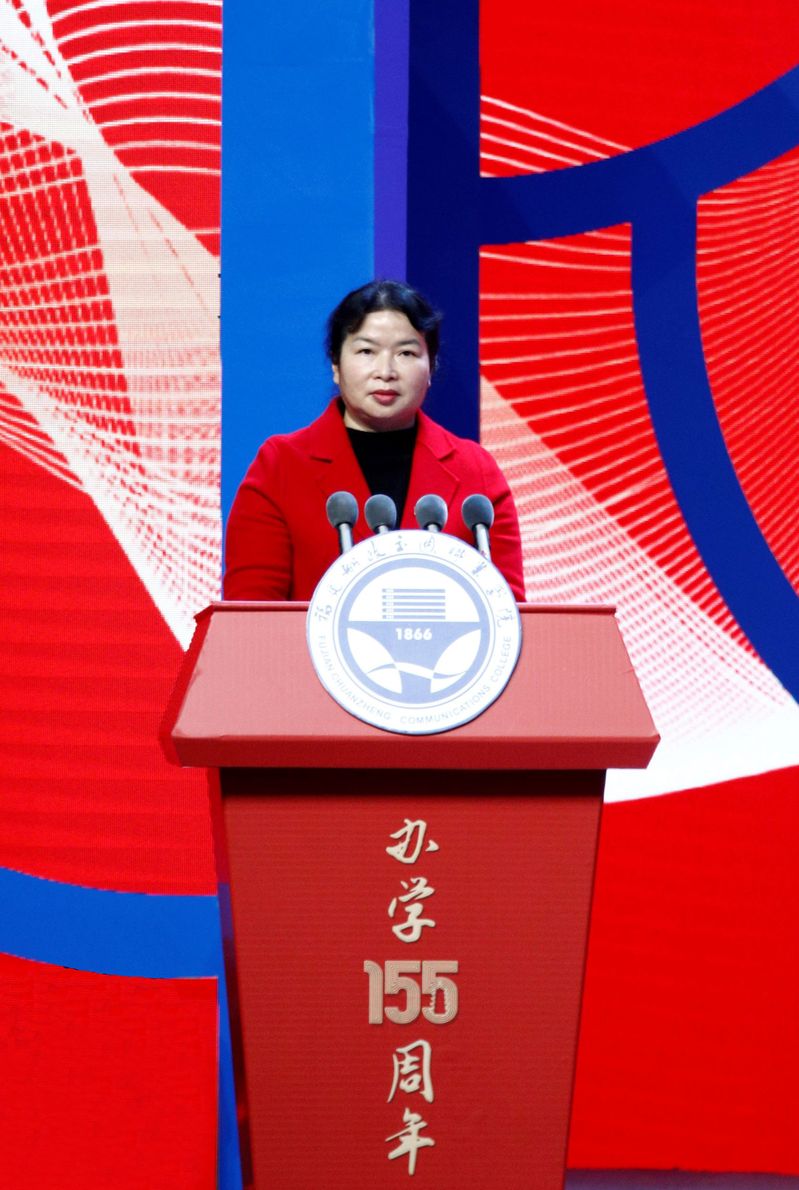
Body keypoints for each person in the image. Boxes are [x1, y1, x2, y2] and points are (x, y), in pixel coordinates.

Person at [223, 279, 525, 601]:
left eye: (406, 353)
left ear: (431, 366)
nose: (386, 371)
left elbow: (512, 611)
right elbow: (249, 613)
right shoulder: (281, 466)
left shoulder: (475, 470)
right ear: (336, 364)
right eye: (366, 351)